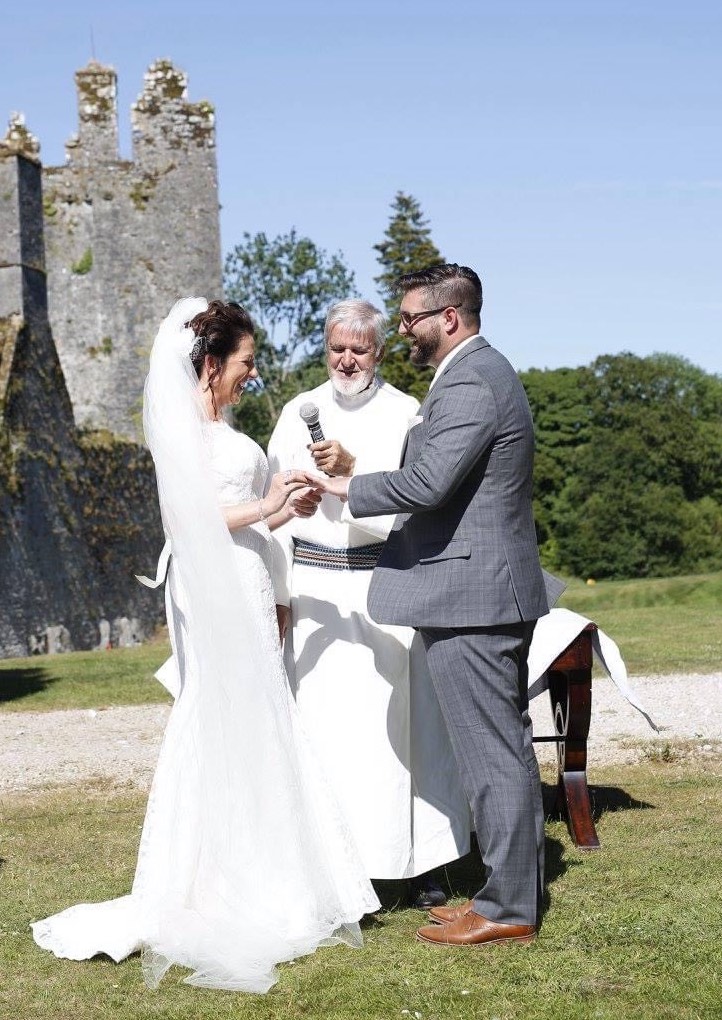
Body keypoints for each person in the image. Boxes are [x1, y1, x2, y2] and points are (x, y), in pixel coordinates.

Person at [31, 298, 379, 992]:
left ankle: (272, 872)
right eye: (246, 362)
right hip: (211, 584)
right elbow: (190, 519)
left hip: (245, 572)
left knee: (258, 716)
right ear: (212, 363)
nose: (253, 373)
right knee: (219, 713)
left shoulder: (222, 425)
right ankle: (214, 883)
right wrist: (267, 501)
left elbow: (240, 519)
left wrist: (283, 509)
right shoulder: (182, 429)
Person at [315, 265, 560, 948]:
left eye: (409, 319)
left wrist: (346, 485)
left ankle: (508, 907)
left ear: (448, 317)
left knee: (492, 754)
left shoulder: (473, 381)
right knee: (498, 750)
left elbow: (429, 483)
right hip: (475, 592)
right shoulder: (471, 375)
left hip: (473, 597)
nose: (403, 331)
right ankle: (504, 891)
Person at [267, 299, 470, 908]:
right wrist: (294, 518)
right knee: (323, 733)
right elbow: (273, 504)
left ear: (378, 352)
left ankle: (412, 862)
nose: (347, 360)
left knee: (396, 734)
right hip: (315, 593)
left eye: (359, 349)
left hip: (381, 582)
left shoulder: (405, 412)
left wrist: (356, 475)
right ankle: (329, 862)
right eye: (337, 349)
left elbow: (421, 504)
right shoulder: (296, 412)